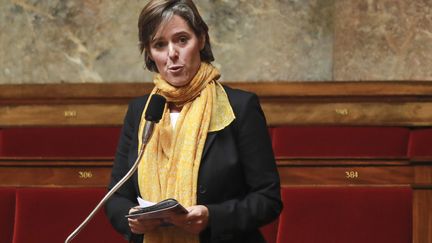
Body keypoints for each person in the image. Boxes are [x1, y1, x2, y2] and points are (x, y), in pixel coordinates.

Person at [105, 0, 282, 242]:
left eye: (181, 40)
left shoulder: (240, 107)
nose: (172, 54)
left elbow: (268, 199)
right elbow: (116, 197)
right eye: (159, 44)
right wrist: (132, 217)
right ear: (149, 53)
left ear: (201, 39)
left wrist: (212, 217)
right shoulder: (141, 111)